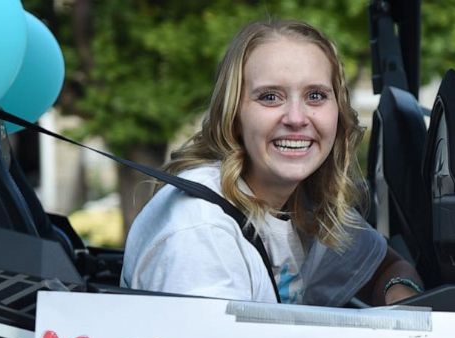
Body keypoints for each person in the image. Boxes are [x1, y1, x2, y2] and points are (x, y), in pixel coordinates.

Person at [121, 19, 422, 306]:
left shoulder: (305, 206)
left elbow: (388, 266)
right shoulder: (200, 229)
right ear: (234, 115)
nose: (296, 118)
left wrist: (399, 295)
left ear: (338, 113)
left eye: (315, 95)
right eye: (269, 97)